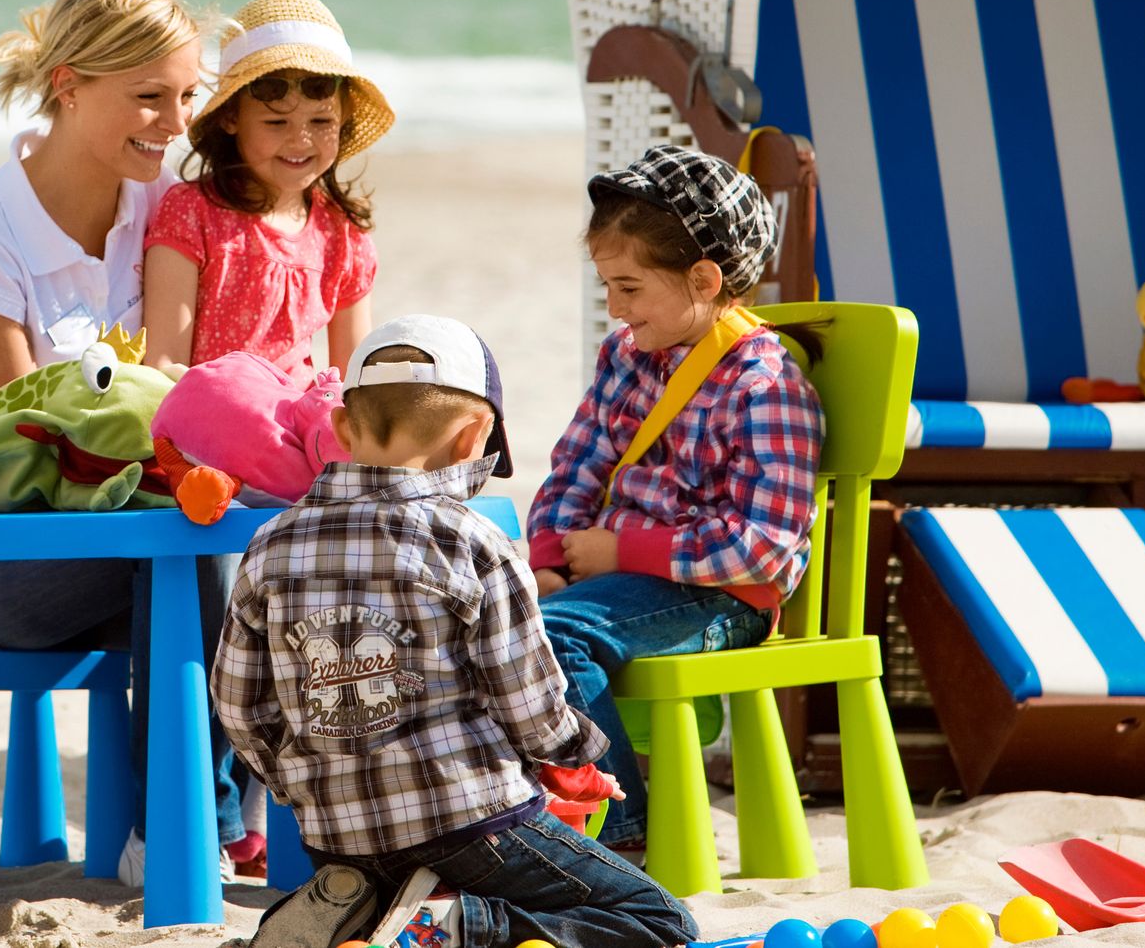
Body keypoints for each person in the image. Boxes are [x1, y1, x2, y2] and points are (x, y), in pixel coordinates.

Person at [0, 0, 254, 884]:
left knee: (276, 547)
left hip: (125, 550)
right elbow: (24, 456)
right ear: (69, 85)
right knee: (195, 549)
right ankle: (184, 828)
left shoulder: (162, 214)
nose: (177, 124)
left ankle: (246, 814)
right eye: (149, 97)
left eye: (187, 96)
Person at [214, 316, 698, 948]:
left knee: (406, 875)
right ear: (475, 439)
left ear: (338, 429)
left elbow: (239, 706)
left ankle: (360, 911)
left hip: (336, 838)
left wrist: (300, 780)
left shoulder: (269, 545)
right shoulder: (470, 541)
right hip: (471, 825)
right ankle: (463, 924)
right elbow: (528, 702)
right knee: (660, 919)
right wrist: (578, 752)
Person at [526, 144, 825, 854]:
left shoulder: (763, 385)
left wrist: (622, 548)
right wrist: (548, 557)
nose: (614, 308)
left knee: (552, 637)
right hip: (614, 579)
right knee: (501, 621)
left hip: (721, 597)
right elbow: (577, 464)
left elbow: (763, 546)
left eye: (628, 288)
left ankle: (618, 828)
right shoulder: (628, 357)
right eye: (607, 287)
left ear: (703, 278)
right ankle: (542, 812)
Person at [141, 0, 386, 385]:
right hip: (203, 426)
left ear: (343, 120)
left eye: (321, 122)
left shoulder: (343, 236)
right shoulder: (191, 213)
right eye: (276, 123)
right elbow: (165, 365)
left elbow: (353, 381)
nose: (300, 140)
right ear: (231, 118)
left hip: (299, 432)